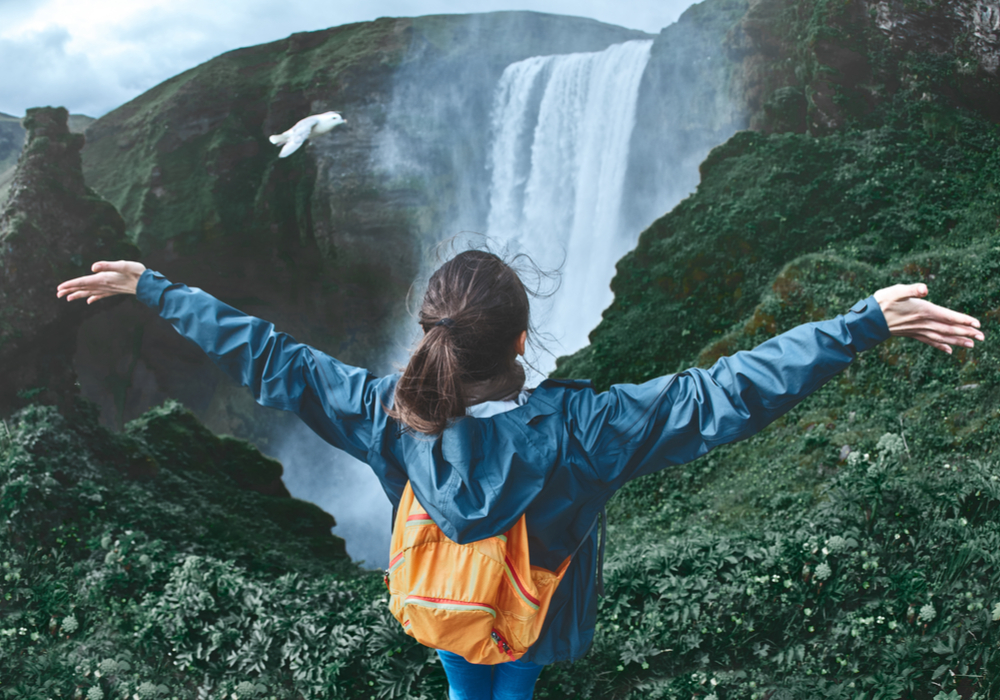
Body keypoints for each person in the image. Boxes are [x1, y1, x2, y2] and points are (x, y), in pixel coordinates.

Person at [57, 253, 984, 700]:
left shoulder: (392, 416)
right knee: (519, 666)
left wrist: (157, 289)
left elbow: (275, 361)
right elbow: (719, 394)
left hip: (449, 609)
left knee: (469, 677)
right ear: (518, 341)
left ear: (434, 339)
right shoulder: (586, 429)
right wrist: (860, 320)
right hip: (536, 610)